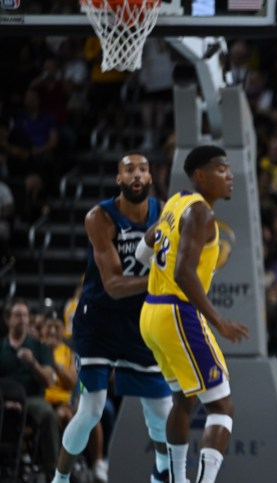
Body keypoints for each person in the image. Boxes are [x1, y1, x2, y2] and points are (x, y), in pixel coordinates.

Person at [52, 154, 173, 483]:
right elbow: (114, 286)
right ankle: (59, 479)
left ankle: (162, 473)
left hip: (140, 324)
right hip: (99, 321)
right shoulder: (100, 217)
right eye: (129, 170)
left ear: (150, 178)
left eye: (143, 169)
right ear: (119, 179)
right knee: (91, 409)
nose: (137, 174)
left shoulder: (165, 214)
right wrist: (163, 281)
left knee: (161, 415)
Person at [137, 145, 249, 483]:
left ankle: (176, 480)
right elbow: (185, 273)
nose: (229, 175)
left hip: (151, 313)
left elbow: (144, 250)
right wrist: (220, 321)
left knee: (183, 401)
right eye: (221, 169)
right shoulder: (201, 213)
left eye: (229, 169)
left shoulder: (176, 201)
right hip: (176, 312)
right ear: (200, 175)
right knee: (221, 407)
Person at [0, 299, 58, 474]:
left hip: (31, 399)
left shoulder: (39, 347)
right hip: (3, 400)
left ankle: (53, 472)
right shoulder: (1, 347)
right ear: (8, 319)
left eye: (25, 315)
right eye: (18, 315)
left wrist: (33, 363)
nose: (23, 319)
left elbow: (49, 380)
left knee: (48, 413)